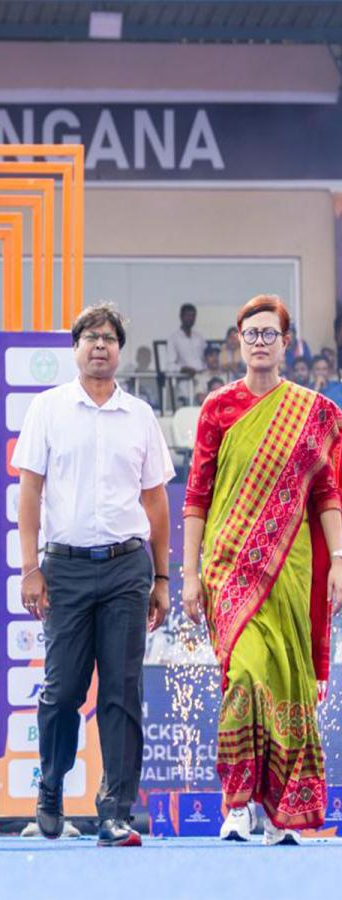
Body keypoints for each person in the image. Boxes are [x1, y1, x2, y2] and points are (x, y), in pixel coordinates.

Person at [182, 295, 342, 846]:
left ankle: (280, 813)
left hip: (291, 570)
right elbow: (196, 496)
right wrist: (188, 574)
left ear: (286, 343)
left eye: (269, 334)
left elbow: (327, 494)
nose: (259, 342)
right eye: (250, 334)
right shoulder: (218, 409)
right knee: (245, 677)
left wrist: (338, 561)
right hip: (228, 569)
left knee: (286, 681)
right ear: (238, 340)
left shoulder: (315, 413)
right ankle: (237, 805)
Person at [14, 302, 175, 848]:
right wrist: (30, 568)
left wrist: (162, 578)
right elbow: (30, 492)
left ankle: (115, 811)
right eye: (90, 337)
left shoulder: (140, 416)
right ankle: (51, 786)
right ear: (76, 348)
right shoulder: (48, 409)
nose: (100, 345)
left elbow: (156, 502)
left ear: (120, 350)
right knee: (62, 691)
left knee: (122, 691)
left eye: (109, 338)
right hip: (64, 569)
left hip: (128, 567)